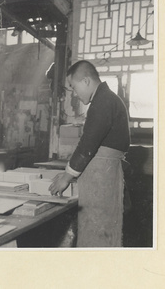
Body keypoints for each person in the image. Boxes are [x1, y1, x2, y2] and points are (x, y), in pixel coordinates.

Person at [49, 60, 130, 247]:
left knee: (98, 231)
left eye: (74, 88)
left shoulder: (103, 101)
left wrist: (66, 177)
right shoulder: (105, 99)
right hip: (103, 175)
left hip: (102, 177)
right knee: (100, 230)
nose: (75, 95)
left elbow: (87, 145)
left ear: (86, 81)